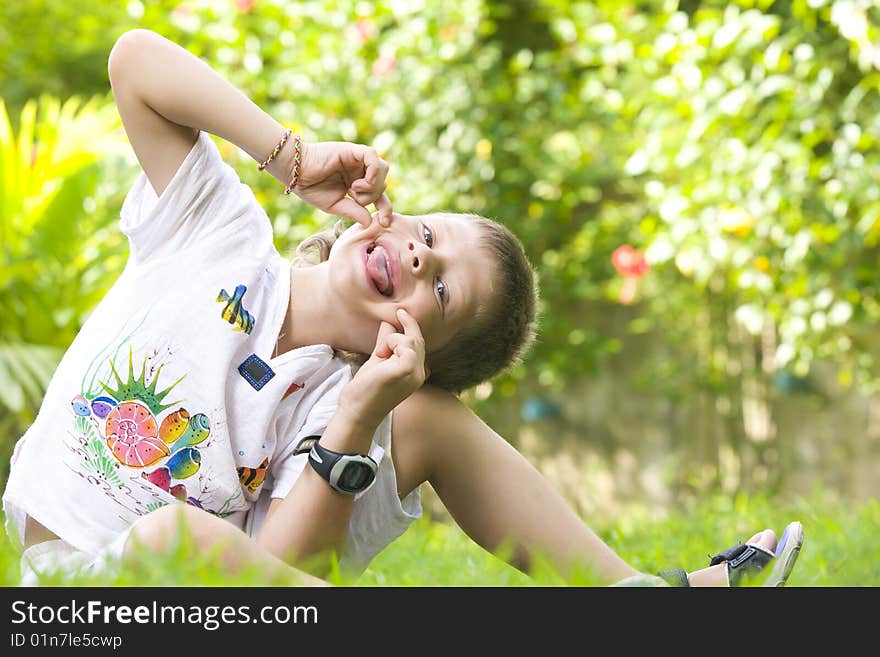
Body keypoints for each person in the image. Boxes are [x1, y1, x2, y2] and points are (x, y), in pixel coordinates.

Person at [2, 29, 802, 588]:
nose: (420, 253)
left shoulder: (341, 409)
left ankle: (631, 595)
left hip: (170, 599)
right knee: (167, 535)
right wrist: (292, 156)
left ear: (418, 351)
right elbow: (136, 62)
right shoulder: (222, 235)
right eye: (427, 232)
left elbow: (275, 576)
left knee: (402, 435)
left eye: (442, 288)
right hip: (65, 576)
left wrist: (356, 419)